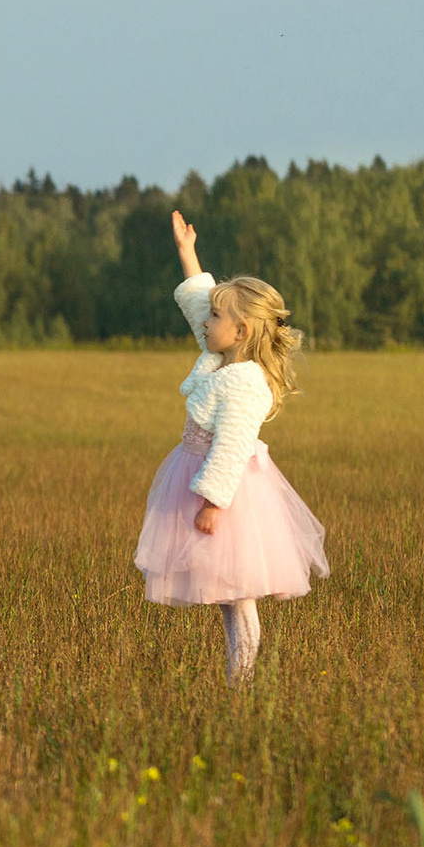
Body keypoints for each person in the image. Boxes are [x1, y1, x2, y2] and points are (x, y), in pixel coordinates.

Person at [134, 209, 330, 679]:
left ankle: (241, 682)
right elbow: (199, 306)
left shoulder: (244, 382)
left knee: (240, 597)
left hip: (229, 496)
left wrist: (213, 503)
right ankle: (235, 676)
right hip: (204, 481)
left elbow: (232, 447)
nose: (207, 322)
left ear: (240, 332)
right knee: (226, 595)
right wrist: (188, 253)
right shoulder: (221, 359)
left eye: (218, 317)